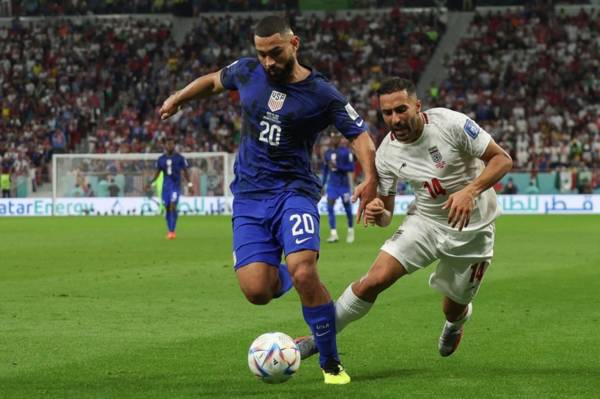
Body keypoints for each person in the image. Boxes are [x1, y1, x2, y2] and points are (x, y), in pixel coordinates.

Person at [158, 15, 377, 384]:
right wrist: (178, 97)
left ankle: (330, 363)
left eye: (275, 53)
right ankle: (284, 271)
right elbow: (213, 81)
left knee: (305, 269)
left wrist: (370, 176)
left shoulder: (322, 93)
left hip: (294, 191)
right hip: (248, 197)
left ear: (295, 44)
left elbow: (359, 136)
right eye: (261, 54)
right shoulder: (247, 72)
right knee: (257, 291)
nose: (268, 62)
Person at [296, 77, 512, 361]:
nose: (395, 119)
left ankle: (456, 322)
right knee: (374, 280)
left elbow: (502, 159)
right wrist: (378, 212)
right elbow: (386, 215)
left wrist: (470, 191)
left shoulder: (451, 124)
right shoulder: (386, 152)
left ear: (417, 106)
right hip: (424, 222)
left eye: (401, 109)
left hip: (473, 228)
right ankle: (320, 337)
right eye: (387, 113)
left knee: (452, 308)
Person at [148, 137, 193, 240]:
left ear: (174, 145)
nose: (170, 146)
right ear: (165, 146)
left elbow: (185, 172)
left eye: (172, 144)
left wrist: (190, 184)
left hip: (175, 186)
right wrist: (150, 183)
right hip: (165, 187)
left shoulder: (180, 158)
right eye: (168, 144)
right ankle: (170, 230)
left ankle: (172, 231)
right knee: (168, 207)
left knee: (172, 205)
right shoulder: (161, 159)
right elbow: (157, 173)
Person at [322, 132, 356, 243]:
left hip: (344, 186)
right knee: (330, 207)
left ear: (340, 138)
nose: (334, 139)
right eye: (332, 137)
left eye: (336, 137)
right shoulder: (327, 153)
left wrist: (338, 166)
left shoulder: (346, 152)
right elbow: (326, 170)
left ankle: (351, 230)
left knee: (347, 209)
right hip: (332, 185)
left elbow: (351, 168)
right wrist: (322, 184)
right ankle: (333, 234)